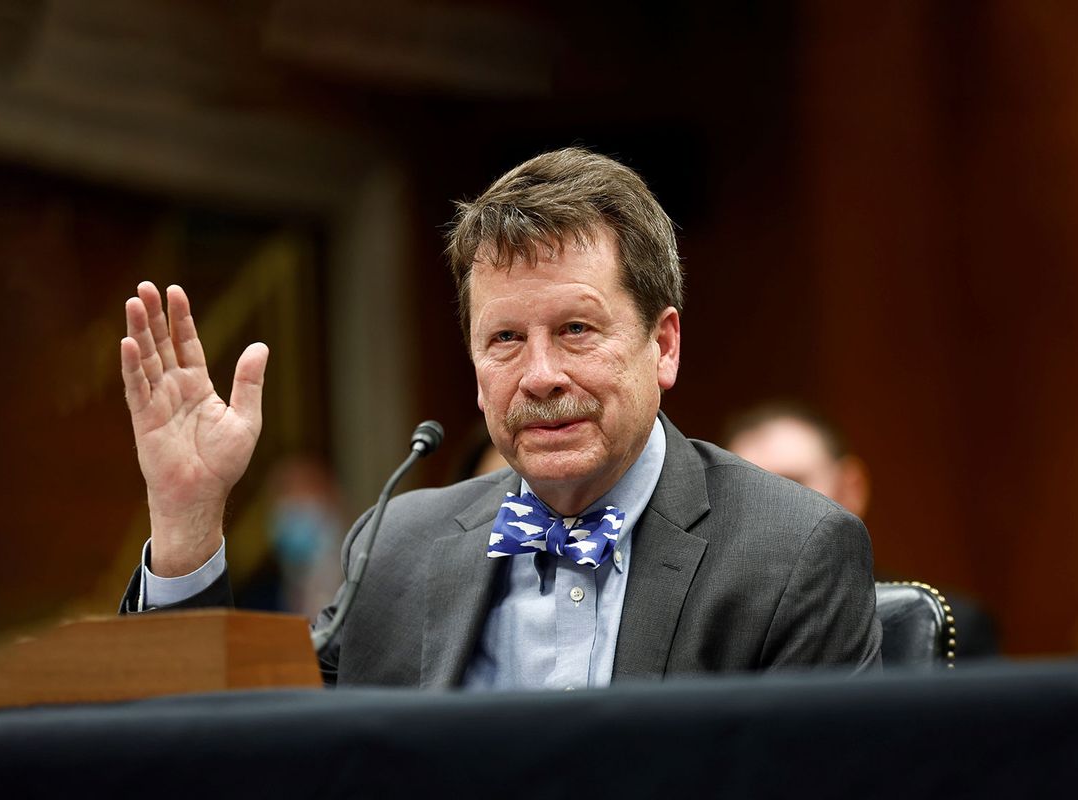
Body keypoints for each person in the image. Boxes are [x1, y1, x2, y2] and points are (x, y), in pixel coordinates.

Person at [118, 147, 881, 688]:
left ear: (665, 346)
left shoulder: (793, 554)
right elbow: (238, 759)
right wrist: (188, 520)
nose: (541, 376)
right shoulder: (397, 549)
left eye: (577, 330)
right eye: (506, 339)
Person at [726, 400, 1000, 659]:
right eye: (747, 488)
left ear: (851, 489)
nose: (768, 504)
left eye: (792, 483)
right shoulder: (709, 628)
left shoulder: (953, 628)